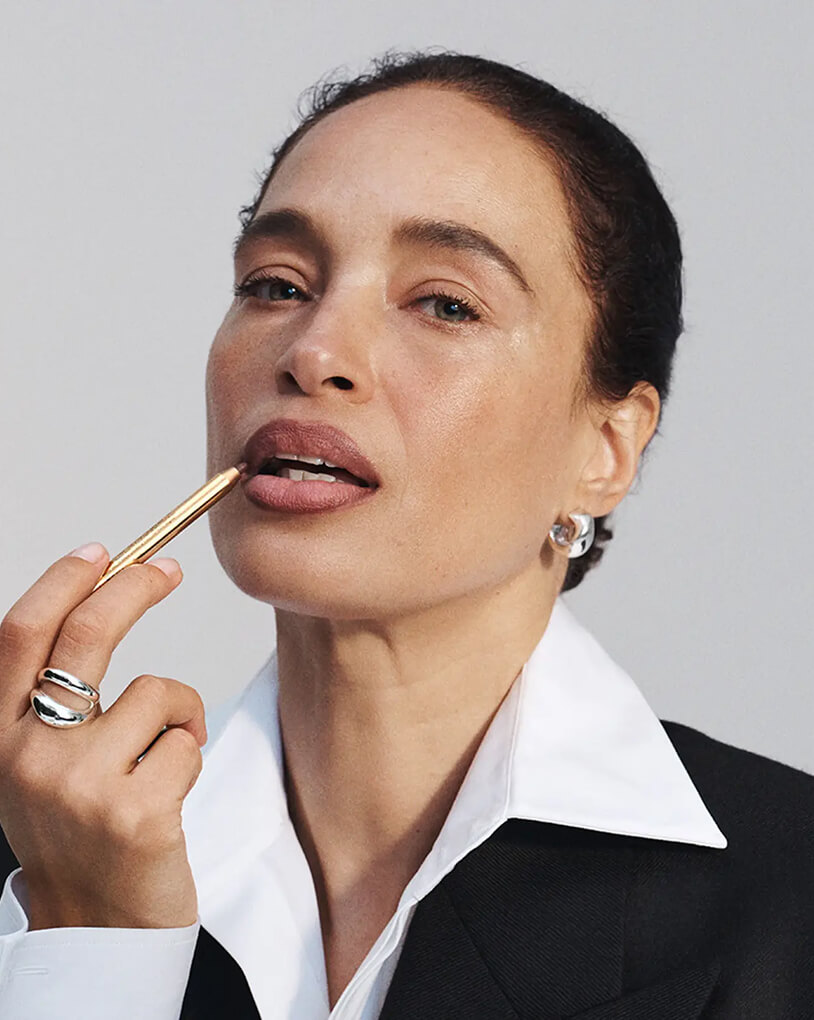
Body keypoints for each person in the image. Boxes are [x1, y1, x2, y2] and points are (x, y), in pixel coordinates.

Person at [0, 48, 812, 1020]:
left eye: (444, 303)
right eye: (276, 284)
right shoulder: (37, 870)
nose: (314, 352)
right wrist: (85, 943)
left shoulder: (789, 904)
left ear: (605, 448)